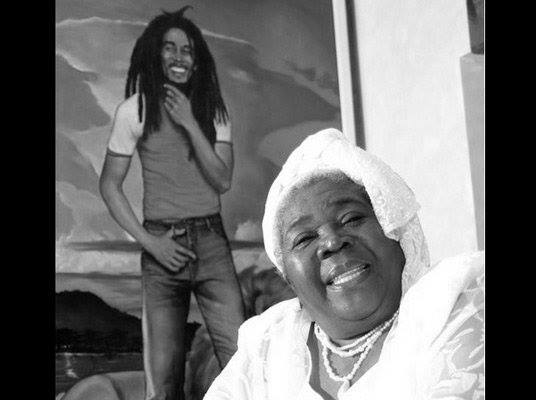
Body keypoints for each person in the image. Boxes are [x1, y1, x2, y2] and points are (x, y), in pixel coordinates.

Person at [204, 128, 484, 400]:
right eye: (304, 239)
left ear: (396, 231)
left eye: (351, 219)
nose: (332, 242)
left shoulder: (454, 300)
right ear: (287, 276)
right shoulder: (268, 344)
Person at [99, 6, 246, 400]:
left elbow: (222, 179)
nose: (179, 57)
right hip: (161, 247)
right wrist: (151, 243)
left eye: (187, 50)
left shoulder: (214, 112)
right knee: (162, 384)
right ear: (155, 53)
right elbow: (109, 185)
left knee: (243, 366)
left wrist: (189, 123)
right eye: (170, 48)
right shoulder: (134, 111)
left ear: (197, 61)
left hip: (211, 243)